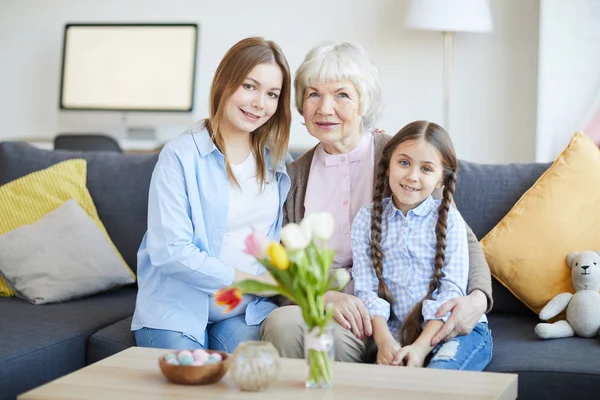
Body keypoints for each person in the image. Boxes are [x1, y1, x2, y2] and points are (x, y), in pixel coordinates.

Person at [260, 41, 492, 362]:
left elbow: (458, 234)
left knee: (333, 343)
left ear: (364, 103)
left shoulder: (399, 158)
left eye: (342, 95)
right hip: (332, 310)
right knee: (283, 324)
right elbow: (282, 266)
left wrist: (478, 300)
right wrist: (323, 296)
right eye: (313, 94)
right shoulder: (294, 175)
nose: (325, 108)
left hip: (397, 314)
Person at [132, 37, 292, 352]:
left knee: (251, 381)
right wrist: (257, 283)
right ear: (224, 82)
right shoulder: (179, 155)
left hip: (244, 311)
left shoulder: (277, 160)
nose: (259, 103)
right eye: (250, 86)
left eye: (272, 94)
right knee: (186, 387)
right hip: (176, 308)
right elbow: (172, 252)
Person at [352, 120, 492, 369]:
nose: (412, 176)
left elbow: (451, 291)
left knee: (437, 374)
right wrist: (384, 342)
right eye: (404, 163)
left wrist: (420, 348)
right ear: (387, 167)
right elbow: (367, 292)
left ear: (440, 180)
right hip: (396, 338)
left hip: (453, 332)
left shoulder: (449, 219)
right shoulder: (366, 219)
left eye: (426, 169)